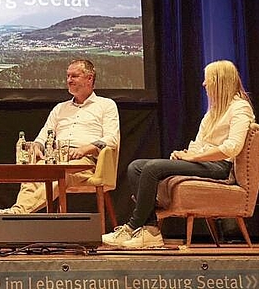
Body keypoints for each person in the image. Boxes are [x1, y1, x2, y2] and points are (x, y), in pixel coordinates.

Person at [103, 60, 255, 249]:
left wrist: (194, 158)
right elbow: (200, 143)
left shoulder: (240, 108)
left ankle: (132, 226)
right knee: (136, 167)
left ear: (219, 81)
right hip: (205, 161)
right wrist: (186, 153)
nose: (204, 84)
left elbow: (232, 148)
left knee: (152, 168)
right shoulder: (214, 111)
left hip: (220, 167)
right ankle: (151, 230)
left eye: (207, 79)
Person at [0, 59, 120, 215]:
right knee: (32, 171)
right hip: (58, 158)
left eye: (74, 76)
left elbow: (112, 139)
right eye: (68, 76)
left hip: (86, 163)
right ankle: (18, 212)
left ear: (89, 78)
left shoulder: (106, 105)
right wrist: (37, 147)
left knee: (58, 175)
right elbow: (43, 136)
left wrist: (84, 150)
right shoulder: (60, 108)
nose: (69, 80)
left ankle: (18, 212)